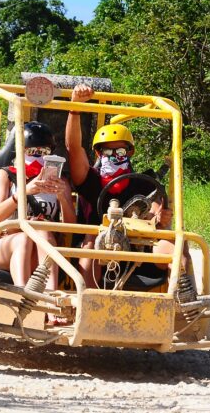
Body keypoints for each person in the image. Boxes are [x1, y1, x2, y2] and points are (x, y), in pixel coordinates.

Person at [64, 84, 181, 288]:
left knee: (175, 243)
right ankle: (90, 303)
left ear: (129, 153)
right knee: (92, 239)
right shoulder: (89, 179)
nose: (114, 157)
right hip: (96, 252)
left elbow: (154, 212)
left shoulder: (144, 184)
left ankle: (183, 298)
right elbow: (73, 148)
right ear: (98, 154)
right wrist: (75, 107)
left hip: (137, 254)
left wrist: (159, 220)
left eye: (119, 151)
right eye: (107, 153)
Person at [0, 121, 75, 290]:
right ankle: (23, 293)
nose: (37, 155)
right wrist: (24, 192)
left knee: (44, 232)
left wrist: (62, 197)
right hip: (7, 243)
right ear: (21, 151)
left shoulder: (60, 182)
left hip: (43, 248)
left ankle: (51, 299)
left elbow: (70, 227)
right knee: (24, 239)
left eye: (43, 152)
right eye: (31, 151)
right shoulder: (7, 175)